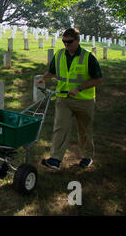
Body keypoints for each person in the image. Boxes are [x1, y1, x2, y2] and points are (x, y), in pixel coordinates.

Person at [35, 28, 103, 169]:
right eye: (64, 41)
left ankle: (87, 157)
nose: (66, 44)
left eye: (69, 41)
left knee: (84, 130)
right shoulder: (59, 55)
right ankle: (55, 159)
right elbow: (52, 71)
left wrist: (79, 88)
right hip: (63, 98)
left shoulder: (88, 57)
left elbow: (97, 79)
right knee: (60, 127)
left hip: (84, 100)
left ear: (77, 40)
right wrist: (43, 78)